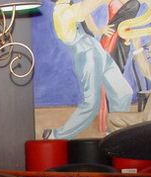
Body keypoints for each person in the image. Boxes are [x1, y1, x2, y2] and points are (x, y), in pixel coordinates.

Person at [43, 0, 133, 140]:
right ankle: (55, 136)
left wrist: (98, 31)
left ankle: (115, 133)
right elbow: (84, 10)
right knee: (91, 104)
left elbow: (85, 14)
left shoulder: (70, 8)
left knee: (123, 92)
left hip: (98, 52)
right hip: (87, 58)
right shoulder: (62, 13)